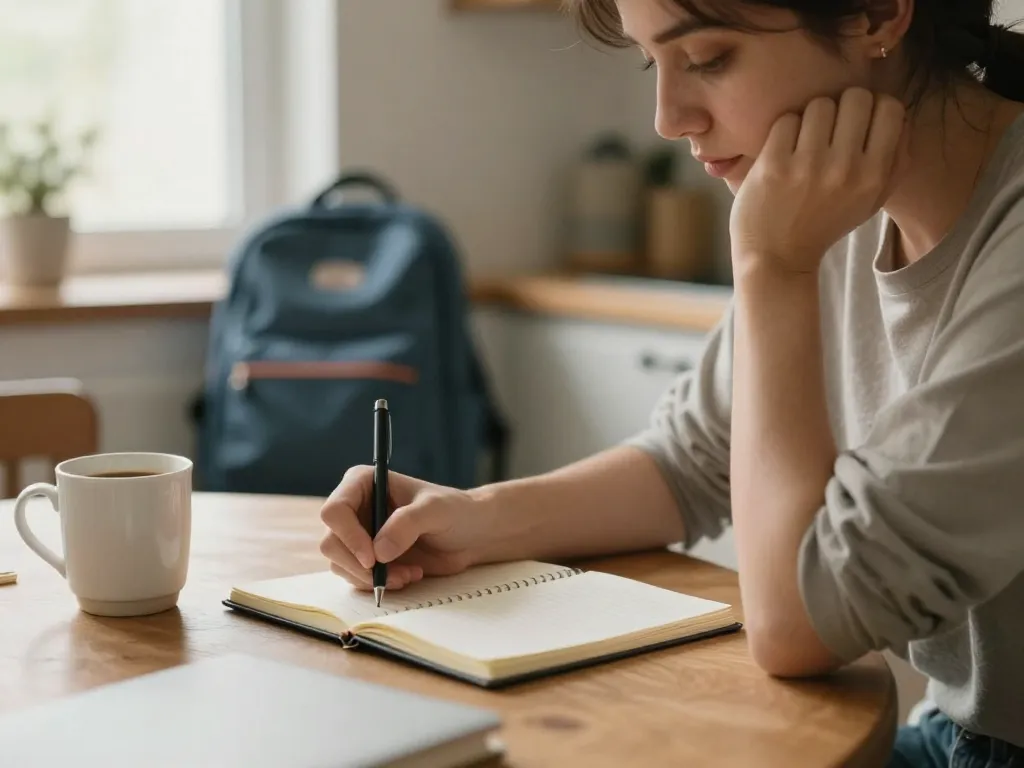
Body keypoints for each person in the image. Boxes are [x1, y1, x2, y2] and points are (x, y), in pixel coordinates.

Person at [319, 0, 1024, 764]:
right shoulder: (837, 201)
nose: (667, 118)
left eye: (710, 58)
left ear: (879, 14)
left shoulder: (855, 235)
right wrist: (473, 519)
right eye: (654, 63)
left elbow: (798, 629)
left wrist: (771, 269)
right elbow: (692, 458)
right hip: (948, 737)